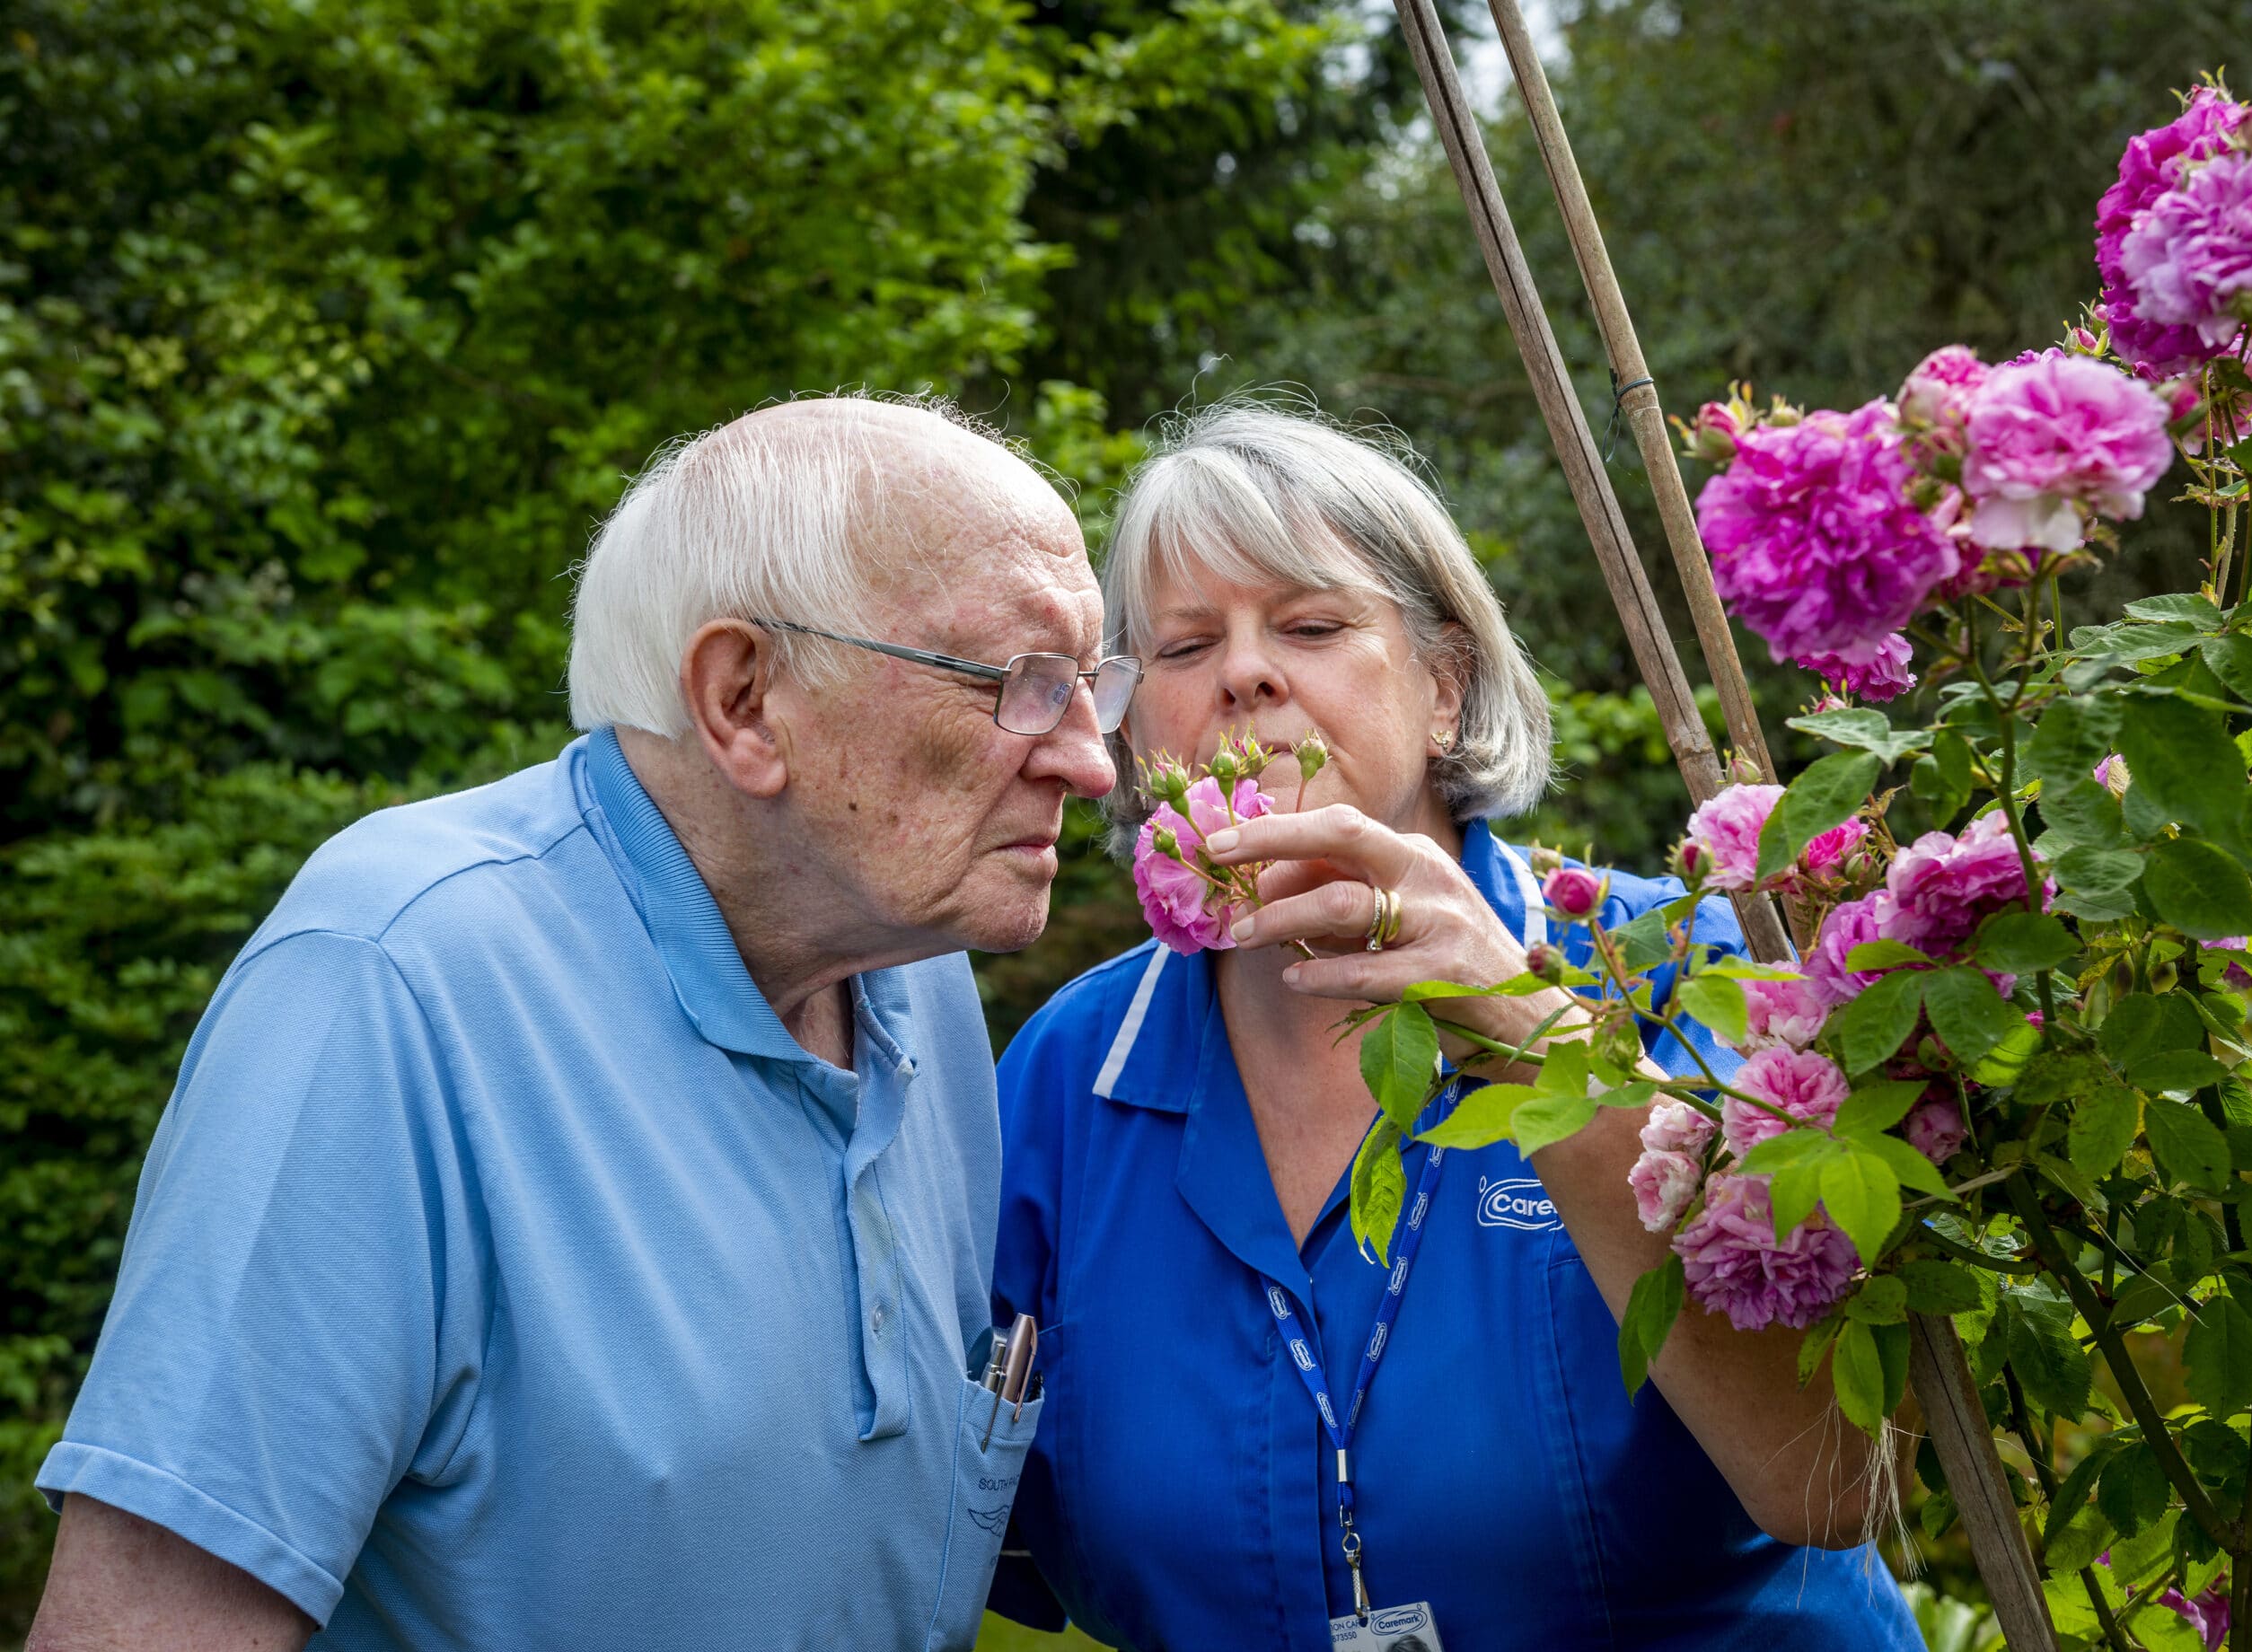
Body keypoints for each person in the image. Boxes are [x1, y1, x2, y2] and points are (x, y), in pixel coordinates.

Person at [27, 398, 1130, 1651]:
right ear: (743, 699)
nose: (1092, 762)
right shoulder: (389, 985)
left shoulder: (910, 969)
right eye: (1017, 685)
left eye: (1090, 687)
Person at [989, 400, 1924, 1649]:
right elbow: (970, 1550)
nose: (1245, 673)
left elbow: (1832, 1481)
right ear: (1133, 726)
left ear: (1446, 688)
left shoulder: (1686, 969)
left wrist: (1536, 1036)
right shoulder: (1066, 1077)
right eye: (1185, 645)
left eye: (1312, 626)